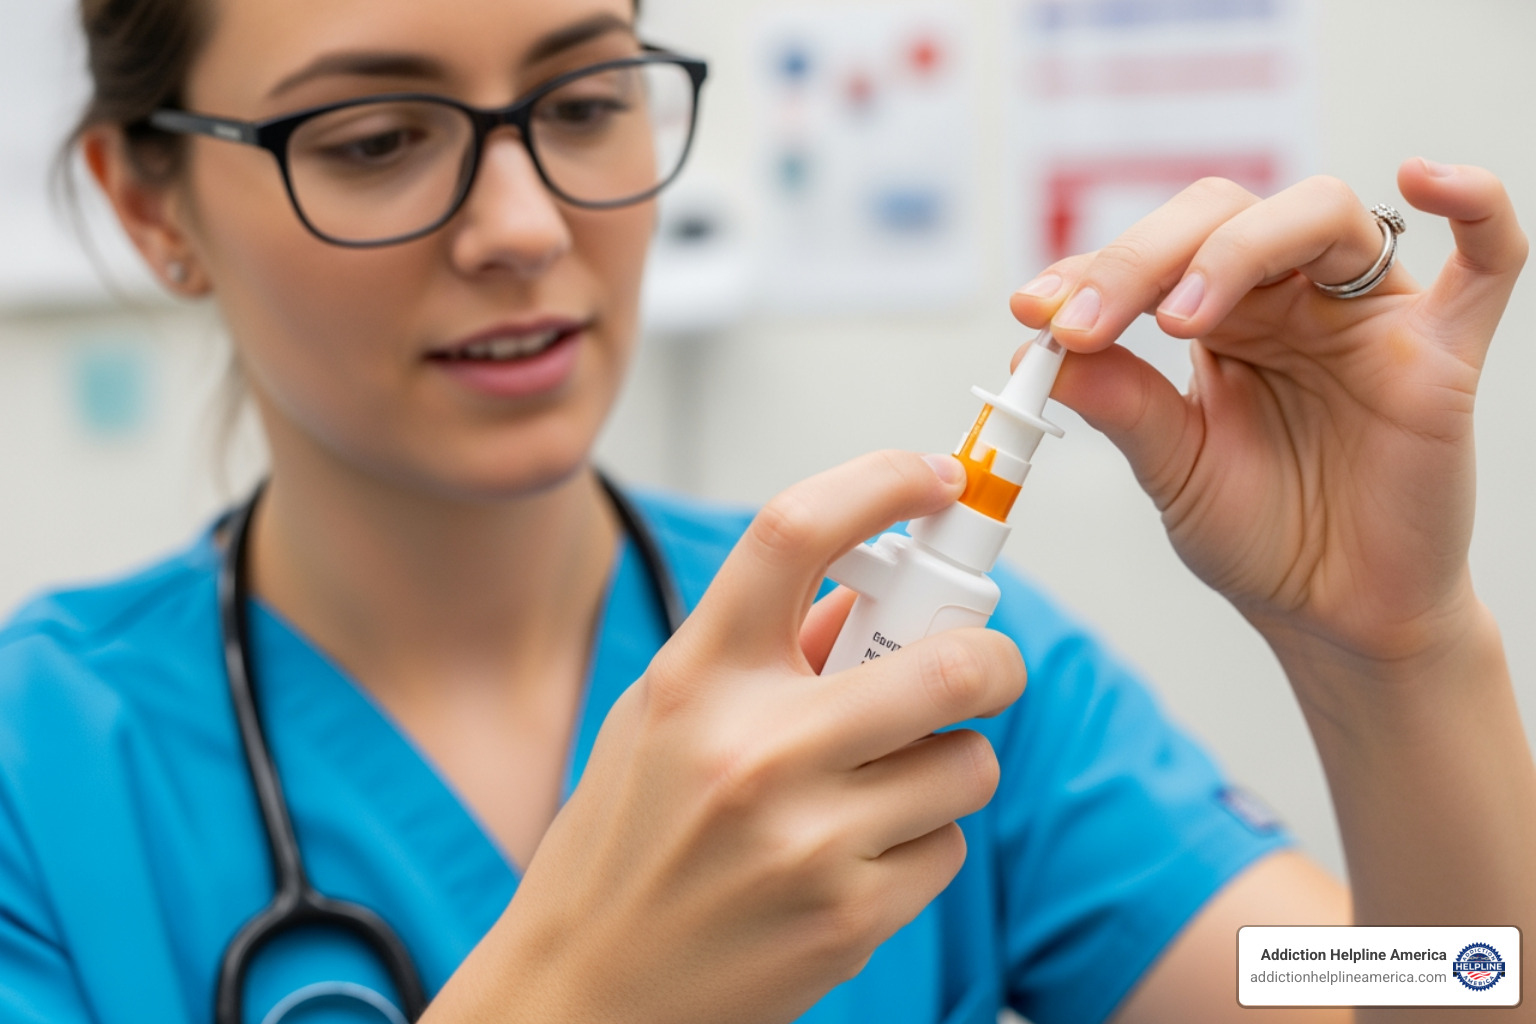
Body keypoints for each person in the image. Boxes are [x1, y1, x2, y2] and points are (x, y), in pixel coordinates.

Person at [0, 0, 1529, 1021]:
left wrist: (1395, 655)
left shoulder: (929, 679)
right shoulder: (38, 777)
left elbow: (1446, 982)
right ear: (148, 202)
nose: (528, 227)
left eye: (587, 100)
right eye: (376, 140)